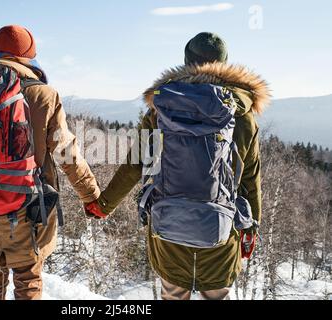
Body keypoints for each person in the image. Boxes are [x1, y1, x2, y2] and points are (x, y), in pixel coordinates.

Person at [86, 32, 270, 300]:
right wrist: (251, 229)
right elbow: (250, 179)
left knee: (172, 293)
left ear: (186, 62)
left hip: (168, 228)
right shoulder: (242, 115)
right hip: (221, 230)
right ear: (224, 64)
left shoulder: (162, 108)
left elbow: (135, 164)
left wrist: (103, 205)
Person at [0, 25, 100, 300]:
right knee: (28, 281)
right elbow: (67, 155)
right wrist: (92, 197)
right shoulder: (43, 95)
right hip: (28, 208)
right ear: (29, 57)